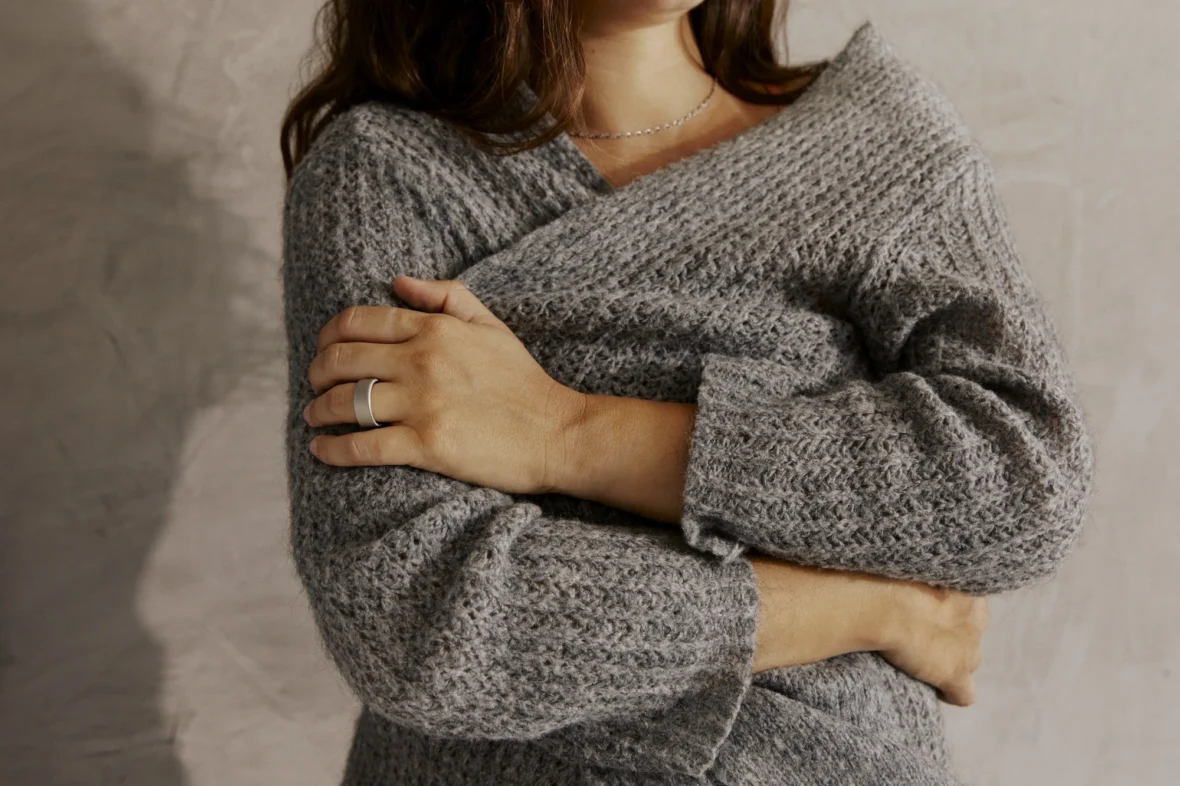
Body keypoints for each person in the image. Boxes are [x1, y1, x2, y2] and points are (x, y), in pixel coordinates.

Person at [278, 1, 1094, 784]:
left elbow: (1027, 478)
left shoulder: (875, 142)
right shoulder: (384, 176)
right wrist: (863, 608)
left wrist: (571, 432)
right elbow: (419, 626)